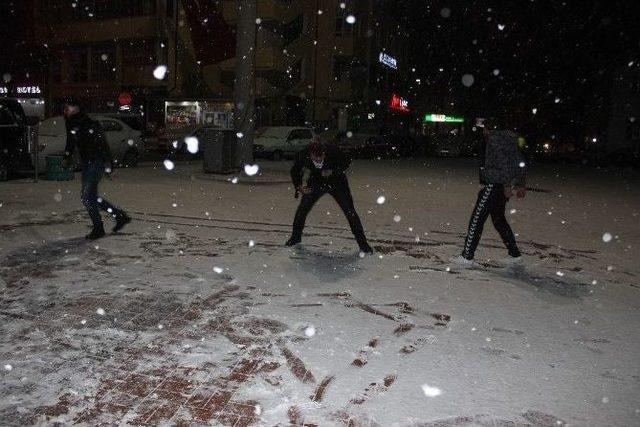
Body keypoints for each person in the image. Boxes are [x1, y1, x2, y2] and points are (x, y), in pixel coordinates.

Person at [452, 119, 526, 265]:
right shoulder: (510, 139)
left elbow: (504, 164)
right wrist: (519, 183)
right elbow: (520, 162)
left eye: (484, 129)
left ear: (490, 128)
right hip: (500, 185)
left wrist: (506, 185)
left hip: (494, 184)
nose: (483, 132)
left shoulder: (495, 139)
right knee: (498, 219)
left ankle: (467, 256)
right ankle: (514, 253)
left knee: (477, 218)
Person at [286, 138, 373, 254]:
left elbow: (347, 161)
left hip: (337, 182)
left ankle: (363, 244)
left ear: (324, 153)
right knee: (302, 209)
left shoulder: (333, 151)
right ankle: (295, 238)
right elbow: (294, 171)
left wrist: (333, 171)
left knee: (350, 212)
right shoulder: (303, 154)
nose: (318, 160)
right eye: (314, 158)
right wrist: (299, 187)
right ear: (310, 154)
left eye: (320, 157)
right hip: (316, 182)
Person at [62, 97, 131, 239]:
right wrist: (67, 156)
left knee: (88, 198)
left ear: (75, 108)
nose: (65, 110)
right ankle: (119, 216)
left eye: (68, 108)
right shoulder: (78, 122)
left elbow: (101, 143)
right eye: (65, 108)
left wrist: (110, 164)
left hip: (95, 163)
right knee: (91, 197)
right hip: (92, 162)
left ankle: (100, 227)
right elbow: (72, 142)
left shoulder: (84, 122)